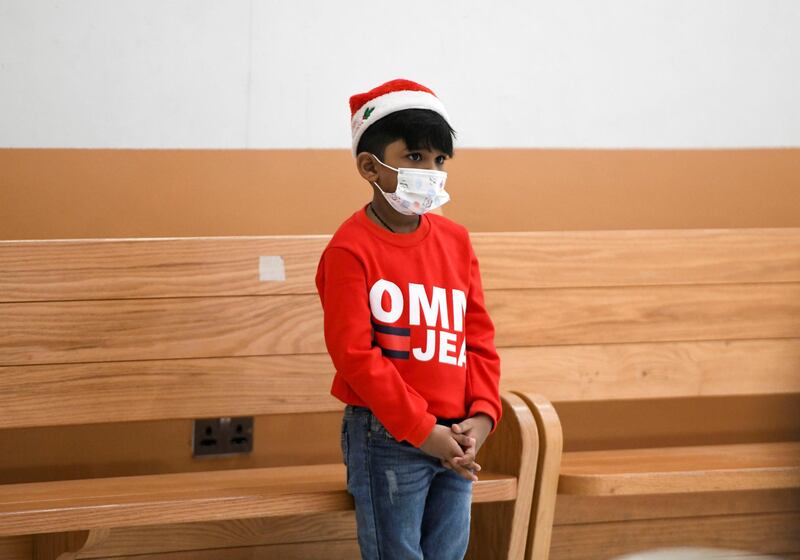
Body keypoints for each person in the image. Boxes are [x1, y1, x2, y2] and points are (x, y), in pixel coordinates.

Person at [314, 78, 502, 560]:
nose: (431, 172)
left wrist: (480, 419)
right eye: (414, 157)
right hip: (388, 437)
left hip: (457, 436)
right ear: (368, 166)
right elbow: (355, 356)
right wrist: (423, 432)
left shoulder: (456, 241)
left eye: (439, 161)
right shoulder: (349, 250)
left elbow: (477, 338)